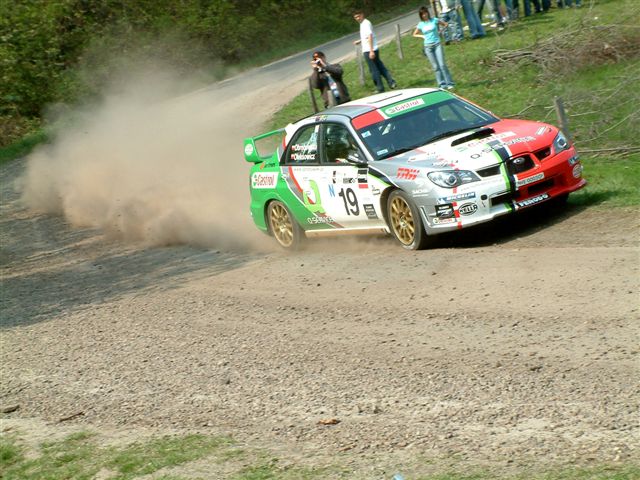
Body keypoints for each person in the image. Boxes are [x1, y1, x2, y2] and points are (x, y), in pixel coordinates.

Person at [353, 10, 397, 93]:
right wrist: (360, 41)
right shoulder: (363, 23)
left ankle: (380, 88)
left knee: (374, 70)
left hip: (369, 50)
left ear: (362, 14)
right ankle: (391, 82)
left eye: (358, 16)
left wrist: (371, 51)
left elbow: (370, 36)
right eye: (355, 17)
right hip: (372, 49)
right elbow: (367, 36)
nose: (357, 18)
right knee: (380, 67)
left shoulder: (365, 23)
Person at [413, 6, 455, 90]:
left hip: (437, 44)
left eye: (425, 13)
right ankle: (442, 84)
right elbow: (414, 34)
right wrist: (422, 36)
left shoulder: (434, 20)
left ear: (428, 13)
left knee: (442, 65)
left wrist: (440, 32)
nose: (424, 15)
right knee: (435, 67)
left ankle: (450, 83)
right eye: (422, 14)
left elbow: (445, 24)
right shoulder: (421, 24)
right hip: (428, 47)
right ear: (421, 15)